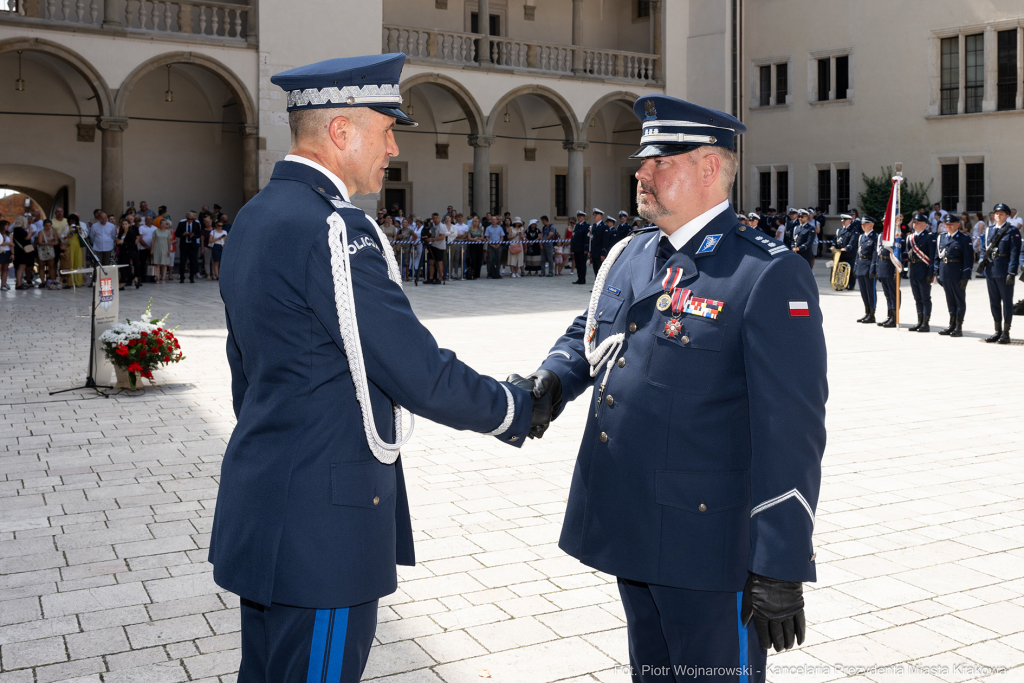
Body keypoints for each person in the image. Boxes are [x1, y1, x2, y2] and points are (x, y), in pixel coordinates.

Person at [210, 55, 544, 683]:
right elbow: (414, 370)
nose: (393, 146)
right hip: (323, 528)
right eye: (385, 129)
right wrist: (515, 405)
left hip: (268, 502)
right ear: (341, 132)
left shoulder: (256, 216)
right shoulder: (335, 229)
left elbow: (244, 371)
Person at [511, 94, 824, 681]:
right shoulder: (632, 253)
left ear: (710, 168)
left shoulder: (766, 272)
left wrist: (781, 558)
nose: (642, 173)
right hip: (632, 521)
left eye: (661, 162)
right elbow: (594, 330)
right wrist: (552, 381)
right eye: (642, 161)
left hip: (708, 543)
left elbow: (793, 428)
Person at [980, 203, 1021, 344]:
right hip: (991, 270)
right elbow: (984, 249)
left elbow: (1015, 253)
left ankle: (1006, 333)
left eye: (1002, 213)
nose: (998, 215)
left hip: (1004, 271)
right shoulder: (988, 230)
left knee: (1007, 302)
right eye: (996, 213)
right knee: (994, 302)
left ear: (1007, 216)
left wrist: (1012, 272)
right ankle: (997, 331)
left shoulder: (1013, 231)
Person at [935, 215, 973, 337]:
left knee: (959, 300)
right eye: (946, 224)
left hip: (958, 273)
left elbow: (969, 259)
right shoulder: (941, 237)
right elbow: (937, 257)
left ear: (957, 224)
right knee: (950, 300)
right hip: (945, 272)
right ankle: (951, 324)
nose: (948, 226)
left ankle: (959, 326)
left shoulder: (964, 238)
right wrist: (937, 273)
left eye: (951, 224)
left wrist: (966, 276)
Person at [905, 212, 937, 332]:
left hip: (924, 270)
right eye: (914, 222)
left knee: (925, 297)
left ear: (925, 225)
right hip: (913, 269)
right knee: (917, 297)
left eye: (918, 222)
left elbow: (933, 256)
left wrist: (931, 272)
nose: (915, 224)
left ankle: (925, 323)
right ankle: (919, 321)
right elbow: (907, 254)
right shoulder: (910, 237)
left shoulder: (930, 237)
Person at [871, 218, 902, 328]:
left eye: (887, 221)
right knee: (887, 294)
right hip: (882, 265)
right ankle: (890, 315)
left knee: (893, 294)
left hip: (891, 266)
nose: (885, 223)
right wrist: (876, 269)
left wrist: (896, 271)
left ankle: (895, 318)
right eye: (883, 221)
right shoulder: (881, 235)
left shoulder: (896, 235)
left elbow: (899, 254)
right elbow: (877, 253)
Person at [853, 216, 879, 323]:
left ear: (871, 225)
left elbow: (875, 254)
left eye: (865, 224)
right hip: (861, 266)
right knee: (863, 291)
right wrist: (855, 266)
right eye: (862, 224)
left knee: (870, 291)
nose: (862, 226)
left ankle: (872, 315)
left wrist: (873, 269)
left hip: (869, 266)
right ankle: (867, 312)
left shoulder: (875, 237)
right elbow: (858, 253)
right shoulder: (861, 237)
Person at [115, 217, 141, 290]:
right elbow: (119, 242)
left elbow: (132, 244)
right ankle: (126, 282)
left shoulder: (131, 233)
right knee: (122, 268)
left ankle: (124, 282)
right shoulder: (121, 232)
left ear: (129, 225)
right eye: (123, 224)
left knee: (125, 268)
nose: (124, 225)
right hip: (121, 252)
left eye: (126, 224)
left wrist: (123, 242)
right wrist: (118, 242)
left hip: (128, 252)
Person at [176, 211, 201, 283]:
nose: (190, 220)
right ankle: (182, 277)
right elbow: (177, 233)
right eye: (189, 219)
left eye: (191, 219)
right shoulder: (182, 224)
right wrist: (183, 234)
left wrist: (194, 236)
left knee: (193, 261)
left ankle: (191, 277)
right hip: (184, 245)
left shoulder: (196, 224)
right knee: (183, 261)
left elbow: (199, 234)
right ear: (186, 218)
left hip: (192, 245)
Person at [11, 216, 35, 290]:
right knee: (21, 268)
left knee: (21, 267)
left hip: (20, 251)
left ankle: (19, 283)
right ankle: (19, 284)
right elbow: (27, 237)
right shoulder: (19, 230)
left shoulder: (17, 230)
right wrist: (30, 230)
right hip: (22, 252)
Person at [35, 219, 59, 287]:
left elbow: (57, 241)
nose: (48, 227)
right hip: (42, 250)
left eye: (49, 226)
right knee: (41, 266)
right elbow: (39, 242)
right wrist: (48, 243)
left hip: (50, 249)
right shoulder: (41, 232)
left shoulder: (53, 231)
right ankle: (42, 282)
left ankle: (53, 281)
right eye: (46, 226)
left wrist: (53, 243)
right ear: (43, 225)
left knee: (51, 266)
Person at [151, 218, 174, 283]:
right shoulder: (156, 231)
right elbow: (153, 241)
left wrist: (169, 250)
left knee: (164, 264)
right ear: (160, 224)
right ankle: (157, 278)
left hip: (165, 249)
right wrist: (152, 249)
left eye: (165, 224)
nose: (163, 225)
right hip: (156, 248)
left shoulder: (168, 232)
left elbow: (169, 242)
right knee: (157, 264)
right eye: (162, 224)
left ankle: (163, 278)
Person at [570, 210, 589, 285]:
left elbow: (586, 238)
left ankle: (582, 278)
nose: (578, 218)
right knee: (577, 264)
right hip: (576, 248)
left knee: (582, 264)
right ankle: (579, 278)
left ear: (583, 217)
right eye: (578, 216)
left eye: (580, 216)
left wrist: (585, 248)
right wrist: (572, 246)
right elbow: (574, 237)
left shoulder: (586, 226)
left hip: (582, 248)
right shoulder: (577, 226)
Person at [588, 208, 608, 277]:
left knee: (601, 271)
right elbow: (591, 239)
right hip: (594, 252)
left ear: (600, 216)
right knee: (595, 270)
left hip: (600, 252)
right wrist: (590, 251)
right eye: (594, 215)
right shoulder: (593, 226)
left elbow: (605, 241)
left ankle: (601, 287)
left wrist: (603, 253)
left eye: (596, 215)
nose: (594, 216)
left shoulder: (604, 226)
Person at [484, 214, 504, 279]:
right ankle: (489, 273)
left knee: (498, 259)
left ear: (497, 221)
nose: (493, 221)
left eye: (494, 219)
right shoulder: (488, 228)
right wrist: (491, 244)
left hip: (498, 245)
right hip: (491, 245)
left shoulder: (500, 228)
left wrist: (499, 244)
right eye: (492, 219)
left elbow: (502, 237)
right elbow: (487, 237)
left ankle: (497, 272)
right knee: (489, 259)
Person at [0, 220, 11, 291]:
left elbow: (12, 244)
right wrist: (9, 243)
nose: (7, 226)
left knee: (5, 270)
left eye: (8, 225)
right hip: (0, 252)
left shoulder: (8, 235)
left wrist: (12, 254)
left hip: (7, 252)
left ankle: (3, 285)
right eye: (6, 225)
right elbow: (0, 243)